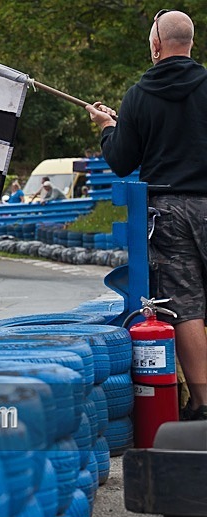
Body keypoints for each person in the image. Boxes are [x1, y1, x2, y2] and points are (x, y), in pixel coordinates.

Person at [85, 10, 207, 420]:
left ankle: (202, 403)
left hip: (169, 210)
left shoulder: (139, 95)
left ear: (156, 46)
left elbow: (121, 161)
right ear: (192, 43)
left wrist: (106, 129)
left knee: (187, 306)